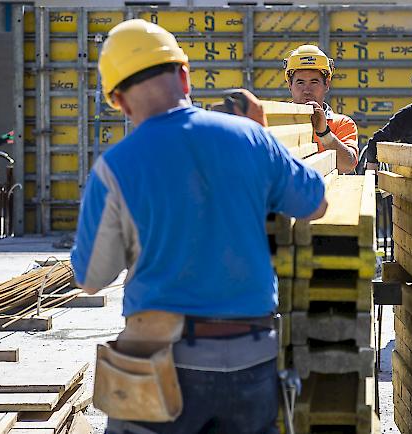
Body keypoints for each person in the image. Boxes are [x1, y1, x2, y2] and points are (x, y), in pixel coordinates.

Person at [71, 19, 327, 434]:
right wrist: (262, 139)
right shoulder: (250, 138)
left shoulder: (115, 169)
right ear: (184, 76)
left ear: (118, 100)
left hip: (161, 364)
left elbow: (91, 278)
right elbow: (315, 201)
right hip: (253, 358)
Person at [284, 44, 359, 173]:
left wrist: (324, 133)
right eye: (300, 82)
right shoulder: (278, 123)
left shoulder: (342, 124)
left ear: (326, 84)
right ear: (290, 85)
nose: (307, 90)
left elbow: (347, 165)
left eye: (314, 82)